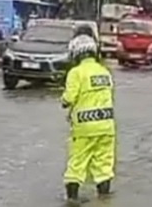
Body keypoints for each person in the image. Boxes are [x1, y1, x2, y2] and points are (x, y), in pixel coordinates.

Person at [61, 34, 116, 202]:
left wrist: (63, 101)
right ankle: (104, 198)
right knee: (104, 164)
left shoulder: (76, 73)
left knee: (77, 162)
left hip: (84, 129)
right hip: (107, 127)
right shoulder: (105, 72)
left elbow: (69, 98)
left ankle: (72, 198)